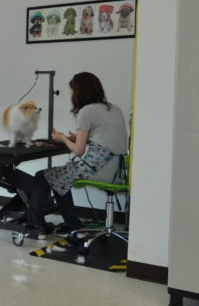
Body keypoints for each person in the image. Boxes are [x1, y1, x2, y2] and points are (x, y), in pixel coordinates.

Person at [14, 72, 128, 237]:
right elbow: (107, 142)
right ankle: (73, 225)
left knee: (42, 176)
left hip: (97, 169)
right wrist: (77, 139)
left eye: (73, 91)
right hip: (117, 171)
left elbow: (79, 151)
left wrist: (62, 138)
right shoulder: (114, 108)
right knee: (60, 178)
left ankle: (35, 227)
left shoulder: (87, 111)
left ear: (81, 91)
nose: (72, 95)